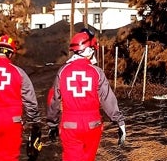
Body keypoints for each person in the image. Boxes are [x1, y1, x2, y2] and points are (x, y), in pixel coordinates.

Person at [46, 29, 126, 161]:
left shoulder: (63, 71)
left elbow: (54, 100)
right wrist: (119, 121)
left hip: (69, 124)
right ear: (88, 50)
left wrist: (52, 124)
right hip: (92, 123)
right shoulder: (97, 72)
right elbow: (107, 99)